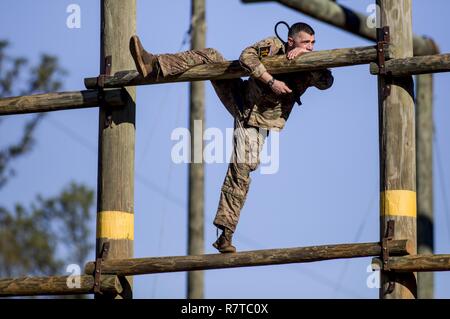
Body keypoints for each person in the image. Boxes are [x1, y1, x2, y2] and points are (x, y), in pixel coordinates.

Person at [129, 22, 334, 254]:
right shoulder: (273, 45)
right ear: (290, 41)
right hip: (240, 97)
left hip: (257, 122)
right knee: (212, 55)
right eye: (306, 42)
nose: (311, 46)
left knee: (241, 169)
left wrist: (304, 60)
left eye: (313, 43)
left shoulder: (312, 62)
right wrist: (270, 80)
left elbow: (326, 82)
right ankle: (154, 64)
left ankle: (225, 235)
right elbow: (246, 56)